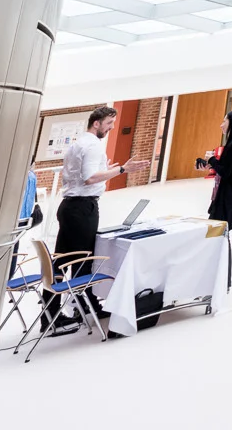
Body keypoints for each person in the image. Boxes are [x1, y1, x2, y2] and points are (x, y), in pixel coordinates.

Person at [48, 106, 145, 331]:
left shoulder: (78, 143)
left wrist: (107, 170)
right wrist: (121, 169)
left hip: (71, 207)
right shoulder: (92, 145)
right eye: (109, 124)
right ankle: (80, 308)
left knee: (63, 259)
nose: (111, 129)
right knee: (80, 260)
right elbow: (90, 178)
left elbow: (84, 174)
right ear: (97, 123)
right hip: (82, 209)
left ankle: (58, 311)